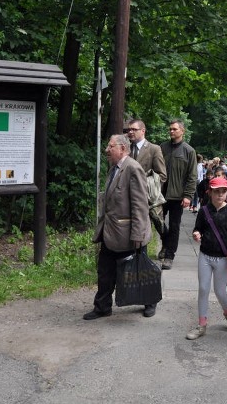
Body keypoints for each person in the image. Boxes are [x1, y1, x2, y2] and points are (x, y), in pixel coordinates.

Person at [84, 134, 154, 320]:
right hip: (111, 231)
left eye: (110, 146)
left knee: (138, 270)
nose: (107, 150)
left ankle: (150, 301)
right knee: (105, 271)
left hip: (129, 233)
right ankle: (102, 307)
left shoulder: (133, 168)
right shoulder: (114, 168)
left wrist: (138, 234)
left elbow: (140, 204)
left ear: (122, 148)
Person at [186, 177, 227, 340]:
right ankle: (201, 324)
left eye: (223, 191)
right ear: (209, 192)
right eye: (217, 191)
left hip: (223, 258)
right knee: (203, 289)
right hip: (205, 255)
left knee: (219, 292)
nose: (220, 194)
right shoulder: (204, 210)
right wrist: (196, 234)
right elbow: (198, 228)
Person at [159, 120, 198, 270]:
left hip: (177, 196)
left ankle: (169, 256)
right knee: (158, 222)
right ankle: (165, 244)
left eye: (174, 129)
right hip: (161, 194)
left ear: (182, 131)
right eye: (170, 129)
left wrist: (188, 195)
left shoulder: (189, 151)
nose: (171, 131)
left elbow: (192, 176)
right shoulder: (162, 147)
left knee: (174, 226)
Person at [125, 119, 168, 237]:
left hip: (147, 197)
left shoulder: (154, 149)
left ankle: (165, 245)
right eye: (129, 129)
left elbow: (162, 175)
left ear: (143, 131)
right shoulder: (126, 148)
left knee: (155, 225)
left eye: (134, 129)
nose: (130, 132)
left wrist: (145, 186)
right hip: (129, 196)